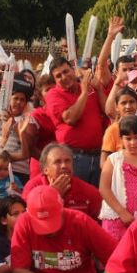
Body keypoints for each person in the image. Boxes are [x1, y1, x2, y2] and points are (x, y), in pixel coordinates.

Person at [10, 185, 117, 273]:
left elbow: (116, 260)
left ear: (62, 207)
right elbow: (18, 272)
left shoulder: (81, 222)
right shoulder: (24, 224)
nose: (49, 231)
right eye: (41, 225)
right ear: (29, 215)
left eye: (52, 222)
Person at [45, 57, 108, 186]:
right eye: (58, 76)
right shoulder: (53, 94)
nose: (64, 77)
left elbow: (107, 110)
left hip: (98, 155)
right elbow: (70, 118)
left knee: (97, 196)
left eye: (66, 71)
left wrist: (99, 88)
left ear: (73, 70)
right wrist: (84, 93)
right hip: (74, 157)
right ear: (55, 80)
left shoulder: (89, 88)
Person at [21, 142, 102, 219]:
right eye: (57, 162)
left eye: (67, 161)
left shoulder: (87, 191)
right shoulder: (33, 188)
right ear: (45, 169)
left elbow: (101, 221)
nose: (64, 166)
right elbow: (29, 220)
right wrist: (50, 196)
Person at [0, 195, 26, 273]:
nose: (23, 217)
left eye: (24, 212)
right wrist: (22, 258)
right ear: (4, 220)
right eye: (16, 214)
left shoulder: (31, 237)